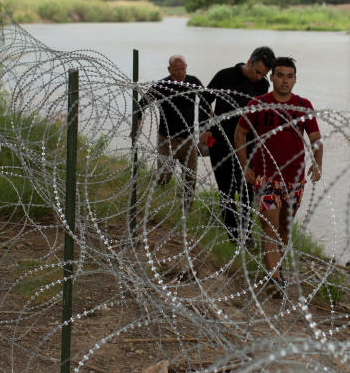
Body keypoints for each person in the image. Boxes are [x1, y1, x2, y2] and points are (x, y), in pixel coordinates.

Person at [234, 57, 322, 292]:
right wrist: (245, 165)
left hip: (294, 178)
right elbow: (240, 134)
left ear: (295, 79)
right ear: (271, 77)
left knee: (284, 226)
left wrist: (317, 161)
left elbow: (315, 138)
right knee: (270, 226)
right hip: (266, 178)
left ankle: (278, 271)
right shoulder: (259, 103)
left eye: (289, 76)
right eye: (280, 75)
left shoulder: (303, 105)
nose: (285, 80)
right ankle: (274, 278)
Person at [199, 46, 276, 245]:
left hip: (248, 146)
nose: (260, 77)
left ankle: (247, 234)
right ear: (249, 62)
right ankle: (232, 237)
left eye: (264, 74)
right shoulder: (224, 76)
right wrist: (205, 128)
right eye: (258, 71)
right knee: (227, 190)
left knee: (248, 191)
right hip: (221, 143)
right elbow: (204, 102)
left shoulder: (262, 85)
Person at [137, 54, 206, 209]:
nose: (181, 73)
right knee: (164, 177)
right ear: (169, 69)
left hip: (188, 139)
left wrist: (207, 120)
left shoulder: (193, 82)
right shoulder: (163, 85)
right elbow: (142, 104)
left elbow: (206, 100)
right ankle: (150, 194)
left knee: (190, 177)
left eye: (183, 68)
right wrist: (138, 120)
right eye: (177, 70)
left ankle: (186, 209)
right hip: (167, 139)